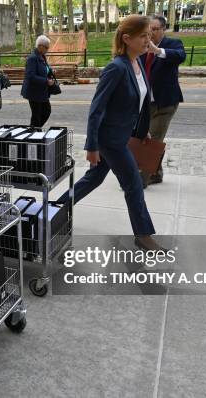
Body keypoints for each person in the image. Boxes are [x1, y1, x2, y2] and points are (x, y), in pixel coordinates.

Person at [56, 15, 163, 251]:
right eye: (144, 35)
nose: (149, 39)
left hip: (123, 136)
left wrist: (142, 132)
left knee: (93, 178)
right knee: (134, 183)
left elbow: (141, 103)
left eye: (150, 34)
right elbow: (96, 109)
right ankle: (143, 235)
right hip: (110, 140)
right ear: (127, 38)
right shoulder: (116, 68)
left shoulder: (138, 64)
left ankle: (55, 210)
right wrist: (92, 147)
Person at [139, 15, 186, 186]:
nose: (151, 33)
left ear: (163, 29)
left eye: (155, 29)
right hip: (147, 104)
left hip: (165, 103)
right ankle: (156, 173)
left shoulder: (173, 44)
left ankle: (140, 181)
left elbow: (181, 56)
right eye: (148, 29)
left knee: (152, 141)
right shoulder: (143, 48)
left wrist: (158, 51)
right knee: (144, 138)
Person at [21, 35, 56, 128]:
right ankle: (33, 133)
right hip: (34, 92)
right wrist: (46, 81)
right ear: (40, 46)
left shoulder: (41, 56)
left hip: (41, 91)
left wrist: (50, 71)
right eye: (47, 47)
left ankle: (34, 131)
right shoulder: (32, 58)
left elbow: (43, 69)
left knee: (46, 111)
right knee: (37, 115)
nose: (48, 49)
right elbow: (30, 76)